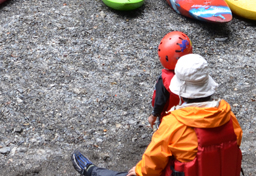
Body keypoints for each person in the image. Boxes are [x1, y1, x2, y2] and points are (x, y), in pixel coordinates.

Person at [72, 54, 242, 176]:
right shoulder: (228, 116)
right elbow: (234, 144)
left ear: (182, 92)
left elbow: (153, 162)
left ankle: (90, 171)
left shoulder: (174, 124)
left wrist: (139, 171)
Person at [149, 31, 192, 128]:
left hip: (169, 117)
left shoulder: (164, 79)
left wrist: (154, 115)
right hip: (188, 116)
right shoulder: (194, 73)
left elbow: (159, 100)